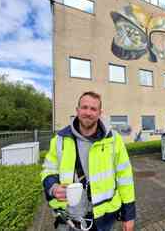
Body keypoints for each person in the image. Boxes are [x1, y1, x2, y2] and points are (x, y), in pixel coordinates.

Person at [41, 91, 136, 231]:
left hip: (103, 220)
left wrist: (129, 215)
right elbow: (48, 169)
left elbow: (125, 178)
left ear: (99, 113)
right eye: (84, 107)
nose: (88, 112)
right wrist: (53, 187)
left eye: (93, 109)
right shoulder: (59, 140)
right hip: (68, 220)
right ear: (77, 110)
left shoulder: (114, 140)